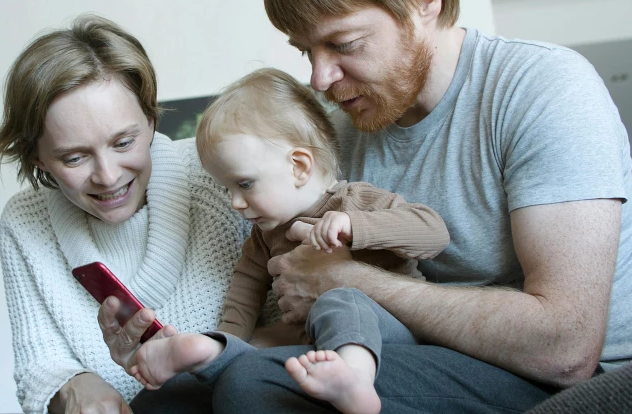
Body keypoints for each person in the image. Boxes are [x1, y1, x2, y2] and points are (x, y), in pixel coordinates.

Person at [108, 0, 632, 412]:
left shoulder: (542, 89)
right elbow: (294, 285)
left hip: (580, 383)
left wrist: (348, 279)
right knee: (173, 398)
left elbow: (566, 346)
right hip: (420, 356)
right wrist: (185, 346)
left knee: (261, 387)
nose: (320, 77)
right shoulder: (342, 131)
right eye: (305, 50)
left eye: (343, 45)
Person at [125, 68, 450, 414]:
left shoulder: (354, 202)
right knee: (255, 344)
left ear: (298, 167)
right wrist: (232, 336)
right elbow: (244, 293)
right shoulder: (264, 237)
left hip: (394, 338)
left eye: (245, 184)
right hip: (311, 344)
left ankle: (355, 378)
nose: (235, 202)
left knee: (341, 301)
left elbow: (434, 232)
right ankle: (209, 354)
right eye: (227, 189)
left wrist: (356, 227)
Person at [0, 14, 256, 414]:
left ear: (151, 119)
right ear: (36, 158)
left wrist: (199, 359)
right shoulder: (25, 222)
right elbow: (40, 366)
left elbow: (293, 328)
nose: (108, 177)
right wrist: (74, 387)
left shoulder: (216, 176)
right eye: (74, 157)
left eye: (124, 143)